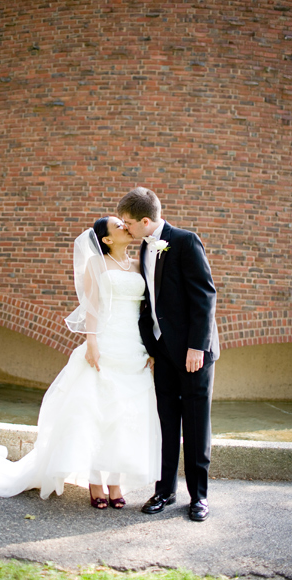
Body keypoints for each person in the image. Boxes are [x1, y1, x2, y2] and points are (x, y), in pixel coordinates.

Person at [0, 217, 161, 509]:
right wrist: (92, 342)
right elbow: (92, 306)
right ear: (107, 240)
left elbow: (145, 311)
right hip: (105, 343)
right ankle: (96, 482)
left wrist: (151, 348)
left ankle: (116, 481)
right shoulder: (96, 265)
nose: (126, 227)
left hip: (132, 348)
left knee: (124, 415)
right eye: (119, 226)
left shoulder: (139, 266)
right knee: (93, 412)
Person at [117, 187, 219, 522]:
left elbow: (205, 296)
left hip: (193, 354)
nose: (125, 228)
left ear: (146, 221)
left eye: (128, 223)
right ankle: (165, 491)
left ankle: (199, 497)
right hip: (161, 353)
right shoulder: (145, 248)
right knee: (164, 425)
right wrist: (151, 346)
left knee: (195, 425)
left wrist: (196, 347)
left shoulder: (186, 241)